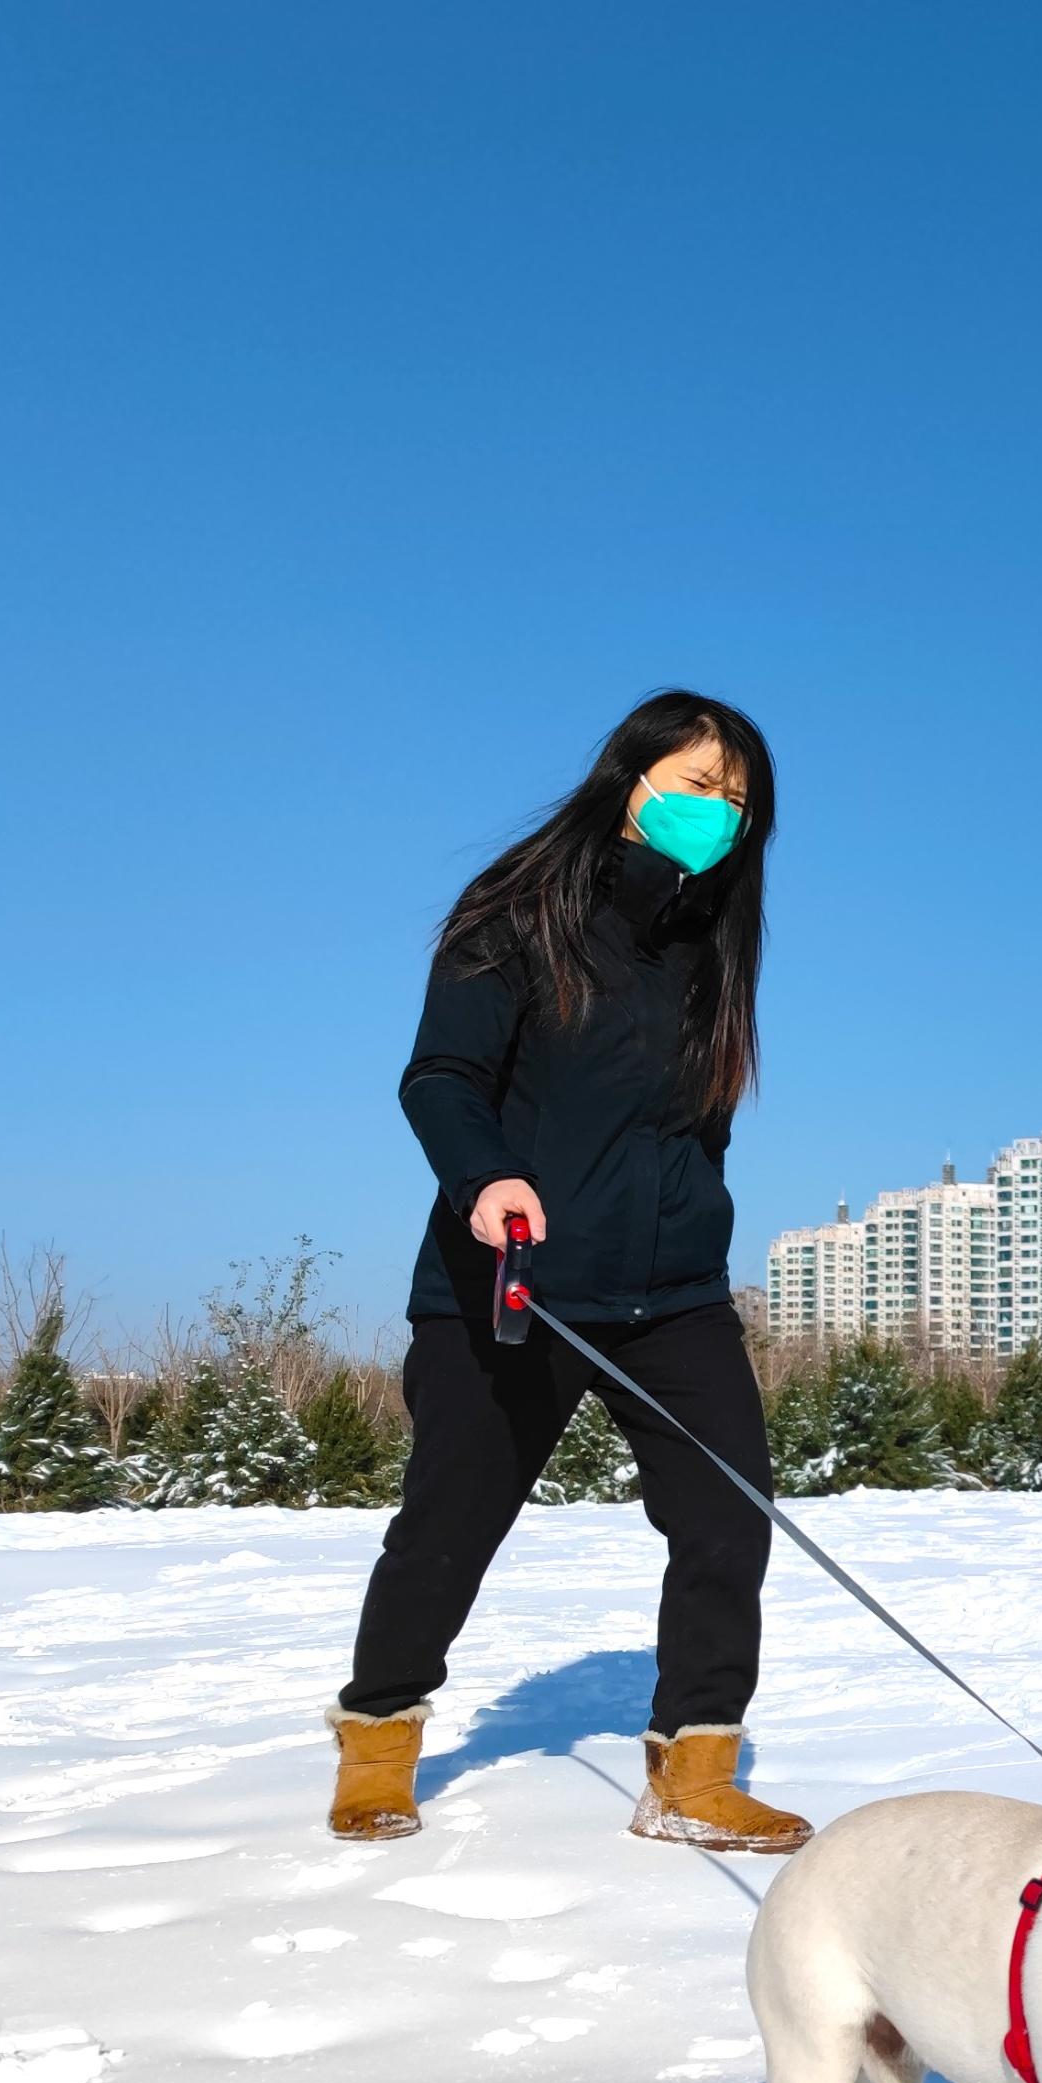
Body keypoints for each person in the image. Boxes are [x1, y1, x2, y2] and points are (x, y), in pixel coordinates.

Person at [322, 690, 810, 1855]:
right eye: (698, 786)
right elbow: (439, 1074)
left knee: (727, 1523)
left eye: (738, 802)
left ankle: (695, 1767)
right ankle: (379, 1737)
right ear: (630, 779)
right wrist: (485, 1178)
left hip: (673, 1292)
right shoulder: (519, 910)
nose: (719, 815)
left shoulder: (707, 950)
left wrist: (699, 1226)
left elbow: (698, 1129)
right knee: (450, 1522)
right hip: (513, 1278)